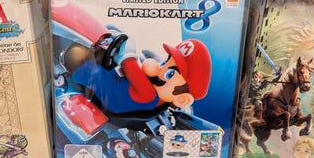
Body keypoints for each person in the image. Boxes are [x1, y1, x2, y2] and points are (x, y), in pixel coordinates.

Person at [63, 37, 212, 115]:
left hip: (109, 91)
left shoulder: (149, 94)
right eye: (165, 63)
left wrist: (128, 53)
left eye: (170, 73)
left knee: (76, 54)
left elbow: (130, 66)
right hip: (119, 83)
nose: (160, 68)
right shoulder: (155, 92)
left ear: (181, 99)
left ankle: (73, 67)